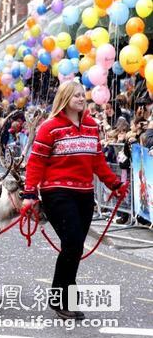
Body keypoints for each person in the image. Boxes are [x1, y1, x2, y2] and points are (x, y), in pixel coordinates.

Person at [22, 81, 125, 320]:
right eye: (76, 95)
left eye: (83, 95)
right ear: (65, 98)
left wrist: (115, 184)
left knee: (75, 247)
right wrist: (29, 194)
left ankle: (62, 298)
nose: (81, 98)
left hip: (85, 194)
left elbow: (98, 161)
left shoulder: (91, 126)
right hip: (56, 193)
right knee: (72, 243)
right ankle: (62, 300)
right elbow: (36, 162)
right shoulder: (50, 127)